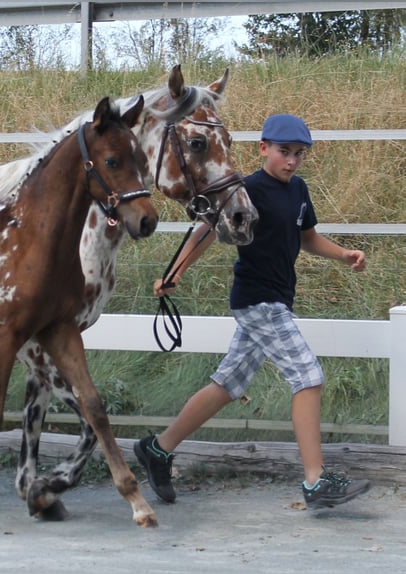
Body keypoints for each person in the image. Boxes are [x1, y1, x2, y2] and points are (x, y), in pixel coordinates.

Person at [134, 114, 371, 510]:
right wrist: (174, 273)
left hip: (277, 297)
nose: (292, 161)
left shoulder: (298, 190)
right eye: (284, 152)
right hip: (258, 299)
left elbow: (307, 237)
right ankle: (316, 482)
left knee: (228, 385)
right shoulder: (246, 189)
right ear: (263, 148)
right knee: (308, 377)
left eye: (299, 154)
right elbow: (206, 231)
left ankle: (158, 449)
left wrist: (343, 254)